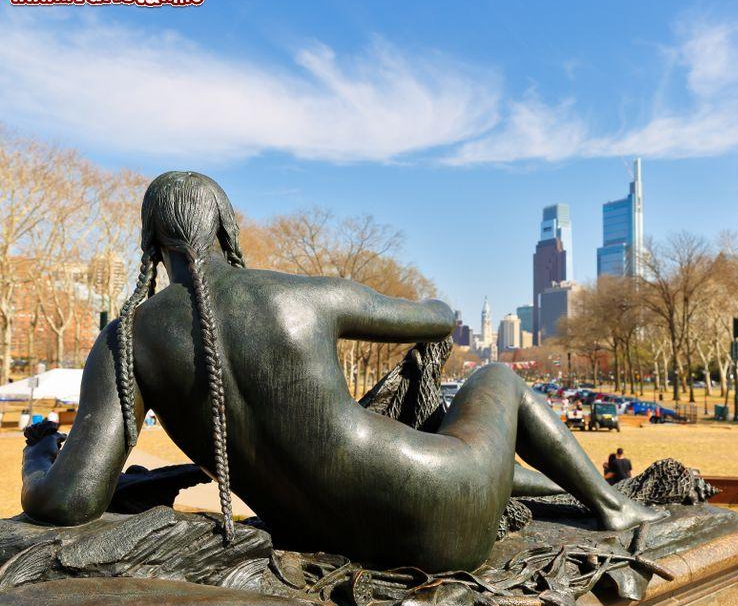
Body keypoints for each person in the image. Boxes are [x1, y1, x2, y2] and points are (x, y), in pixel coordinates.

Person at [20, 172, 658, 573]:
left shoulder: (125, 339)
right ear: (226, 228)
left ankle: (567, 494)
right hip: (440, 515)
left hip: (322, 532)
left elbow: (72, 499)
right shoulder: (302, 295)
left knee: (445, 433)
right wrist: (439, 309)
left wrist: (39, 457)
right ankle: (609, 505)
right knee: (498, 382)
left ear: (151, 246)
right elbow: (434, 318)